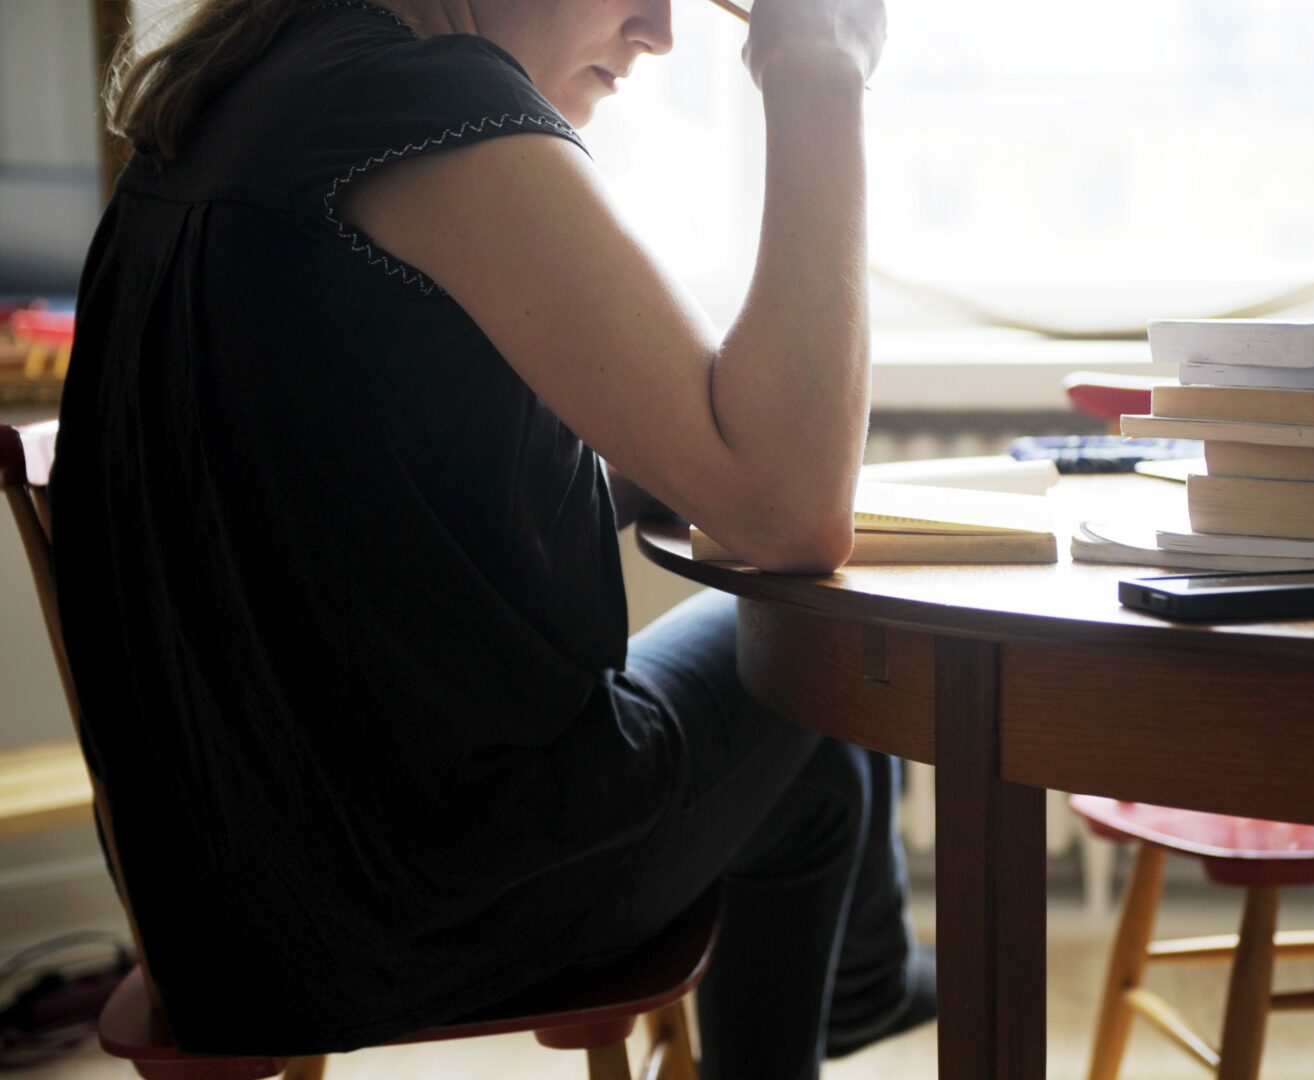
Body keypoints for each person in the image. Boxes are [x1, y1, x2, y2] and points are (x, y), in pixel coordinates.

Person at [49, 0, 929, 1076]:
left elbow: (338, 500)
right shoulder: (428, 105)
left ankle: (865, 979)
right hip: (404, 902)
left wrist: (665, 450)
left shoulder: (227, 99)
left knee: (817, 778)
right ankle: (869, 982)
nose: (657, 29)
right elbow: (795, 516)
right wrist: (818, 75)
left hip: (219, 912)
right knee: (818, 655)